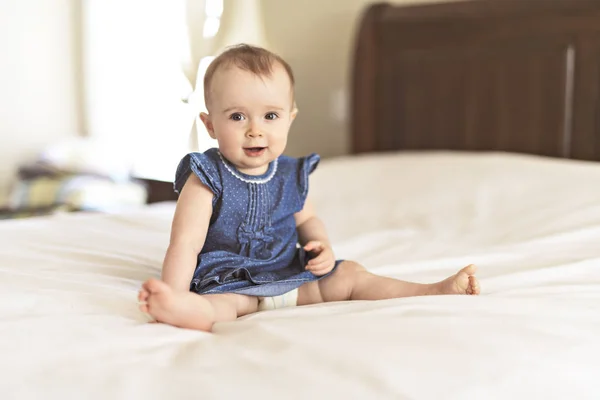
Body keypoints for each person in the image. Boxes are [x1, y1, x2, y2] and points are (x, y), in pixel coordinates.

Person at [138, 44, 480, 332]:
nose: (255, 130)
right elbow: (184, 244)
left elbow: (308, 222)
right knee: (216, 308)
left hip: (293, 278)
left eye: (270, 116)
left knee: (350, 274)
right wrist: (174, 290)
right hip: (233, 285)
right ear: (210, 124)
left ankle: (433, 290)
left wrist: (323, 247)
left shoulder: (291, 174)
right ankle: (175, 308)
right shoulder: (207, 177)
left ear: (290, 118)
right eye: (237, 117)